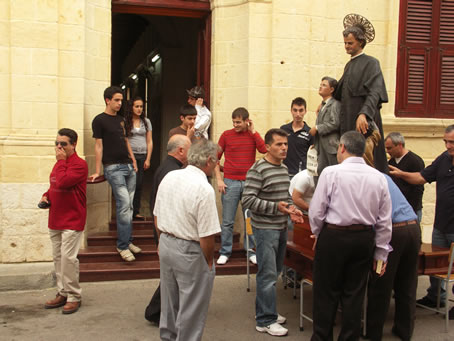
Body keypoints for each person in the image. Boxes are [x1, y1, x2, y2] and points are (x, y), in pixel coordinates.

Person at [309, 131, 392, 340]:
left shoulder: (331, 173)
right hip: (363, 238)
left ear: (342, 148)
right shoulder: (379, 177)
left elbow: (317, 211)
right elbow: (384, 220)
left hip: (334, 236)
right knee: (354, 294)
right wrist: (381, 253)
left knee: (326, 293)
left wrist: (318, 233)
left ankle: (321, 337)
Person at [154, 139, 221, 341]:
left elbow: (157, 214)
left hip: (166, 241)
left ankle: (168, 337)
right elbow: (207, 235)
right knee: (191, 307)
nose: (217, 164)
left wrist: (161, 241)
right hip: (189, 250)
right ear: (209, 161)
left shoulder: (170, 177)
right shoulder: (204, 188)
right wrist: (209, 261)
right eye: (216, 160)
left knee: (169, 301)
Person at [242, 128, 304, 337]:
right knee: (267, 275)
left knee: (275, 271)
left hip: (281, 227)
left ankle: (268, 310)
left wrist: (292, 209)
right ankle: (265, 320)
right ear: (267, 147)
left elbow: (284, 198)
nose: (284, 148)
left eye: (285, 144)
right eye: (279, 144)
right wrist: (276, 207)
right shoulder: (258, 169)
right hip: (265, 229)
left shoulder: (283, 168)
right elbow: (248, 200)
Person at [389, 124, 454, 318]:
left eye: (451, 142)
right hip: (441, 223)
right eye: (446, 141)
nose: (448, 145)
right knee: (437, 264)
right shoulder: (443, 159)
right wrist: (401, 175)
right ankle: (435, 296)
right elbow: (421, 177)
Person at [366, 174, 421, 341]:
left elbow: (376, 218)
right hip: (412, 227)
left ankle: (373, 333)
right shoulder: (383, 176)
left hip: (393, 231)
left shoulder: (365, 180)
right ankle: (404, 330)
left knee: (381, 282)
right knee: (407, 283)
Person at [89, 86, 141, 262]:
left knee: (130, 206)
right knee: (124, 205)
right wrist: (98, 170)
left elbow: (126, 141)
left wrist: (133, 160)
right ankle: (122, 245)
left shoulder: (121, 120)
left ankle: (128, 240)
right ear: (107, 100)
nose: (120, 103)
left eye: (121, 100)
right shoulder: (99, 120)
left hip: (128, 166)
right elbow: (98, 146)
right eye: (117, 100)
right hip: (113, 167)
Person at [145, 134, 192, 326]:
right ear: (180, 150)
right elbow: (165, 204)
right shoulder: (171, 171)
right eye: (189, 148)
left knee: (171, 275)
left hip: (165, 229)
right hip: (167, 230)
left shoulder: (169, 167)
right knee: (172, 275)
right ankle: (155, 311)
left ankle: (159, 310)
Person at [40, 128, 88, 314]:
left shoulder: (79, 165)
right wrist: (46, 196)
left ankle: (74, 295)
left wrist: (60, 163)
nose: (59, 147)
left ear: (74, 144)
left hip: (72, 219)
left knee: (68, 259)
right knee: (58, 258)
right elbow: (54, 185)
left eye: (63, 144)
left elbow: (63, 182)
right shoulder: (58, 165)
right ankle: (63, 291)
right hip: (56, 218)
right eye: (57, 143)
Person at [333, 14, 388, 173]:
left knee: (367, 161)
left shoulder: (372, 63)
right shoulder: (349, 65)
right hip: (349, 120)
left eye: (350, 43)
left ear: (361, 42)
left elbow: (375, 91)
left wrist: (364, 114)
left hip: (364, 122)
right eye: (345, 43)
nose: (347, 47)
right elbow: (340, 91)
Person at [215, 107, 267, 265]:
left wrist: (254, 131)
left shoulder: (252, 135)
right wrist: (219, 179)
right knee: (227, 221)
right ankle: (225, 251)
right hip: (229, 182)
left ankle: (250, 250)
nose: (235, 125)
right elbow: (214, 158)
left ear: (246, 121)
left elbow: (264, 149)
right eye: (234, 122)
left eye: (238, 122)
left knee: (249, 219)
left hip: (249, 183)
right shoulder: (226, 135)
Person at [385, 132, 425, 222]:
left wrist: (411, 209)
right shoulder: (391, 162)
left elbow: (419, 188)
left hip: (411, 210)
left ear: (399, 145)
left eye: (389, 148)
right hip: (396, 209)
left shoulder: (415, 161)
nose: (387, 151)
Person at [125, 96, 153, 220]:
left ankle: (136, 211)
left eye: (141, 106)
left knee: (139, 183)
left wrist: (148, 158)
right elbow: (125, 139)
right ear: (131, 107)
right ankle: (127, 211)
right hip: (129, 156)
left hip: (142, 156)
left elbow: (149, 141)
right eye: (136, 106)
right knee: (128, 184)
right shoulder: (126, 121)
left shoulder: (146, 122)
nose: (139, 109)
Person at [309, 76, 340, 176]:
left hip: (331, 147)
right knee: (320, 174)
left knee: (332, 174)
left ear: (331, 89)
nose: (320, 87)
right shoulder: (322, 105)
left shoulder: (335, 104)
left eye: (324, 85)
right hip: (321, 147)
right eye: (320, 84)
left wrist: (317, 128)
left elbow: (335, 123)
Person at [280, 97, 314, 178]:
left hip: (301, 175)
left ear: (305, 111)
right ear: (291, 111)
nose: (298, 114)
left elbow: (313, 156)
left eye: (301, 110)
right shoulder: (283, 129)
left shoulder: (310, 132)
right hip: (284, 173)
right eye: (295, 110)